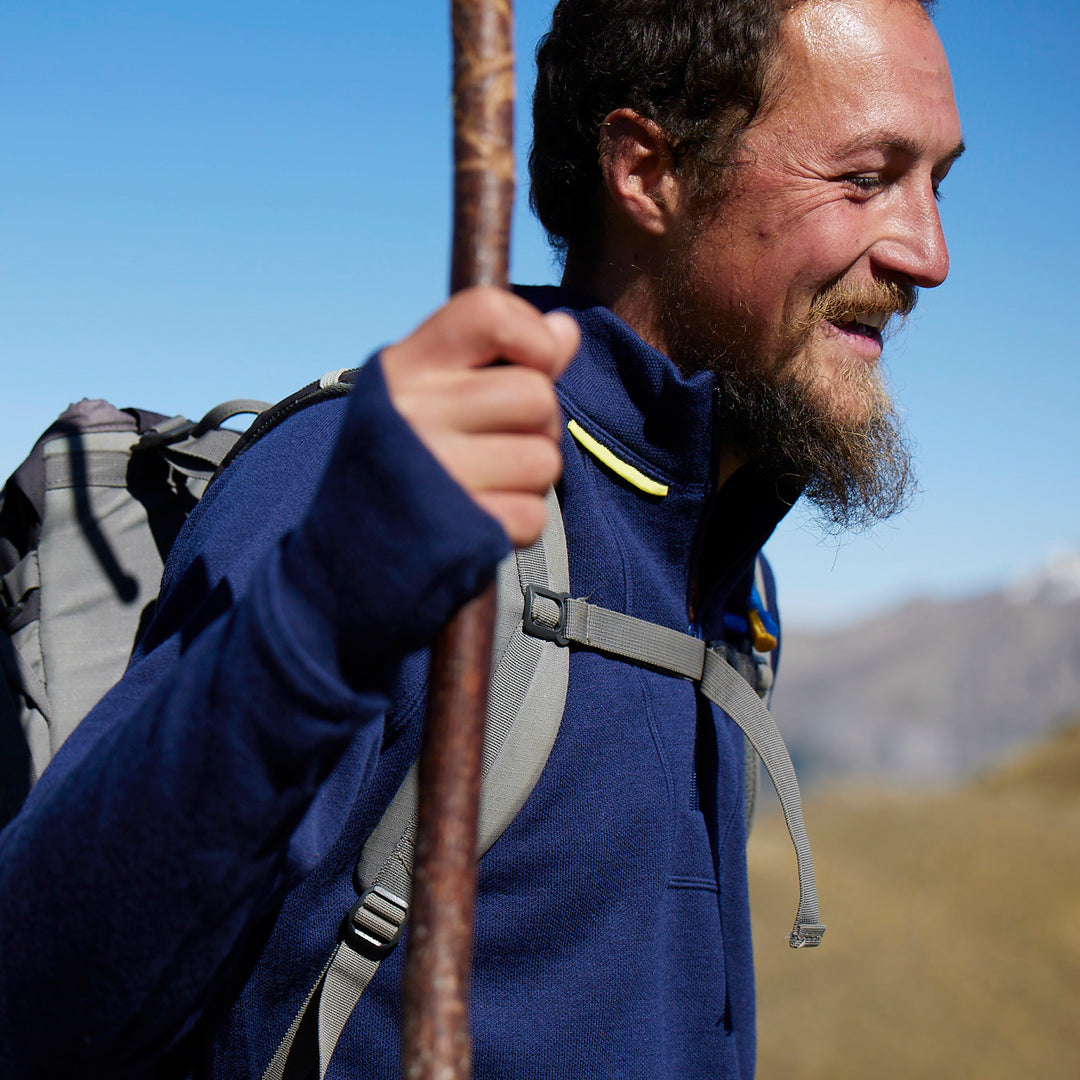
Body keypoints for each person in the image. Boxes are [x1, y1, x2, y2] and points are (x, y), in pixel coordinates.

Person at [0, 0, 963, 1077]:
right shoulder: (353, 491)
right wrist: (325, 601)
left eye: (941, 182)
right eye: (867, 178)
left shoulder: (732, 580)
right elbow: (34, 1008)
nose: (931, 256)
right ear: (648, 171)